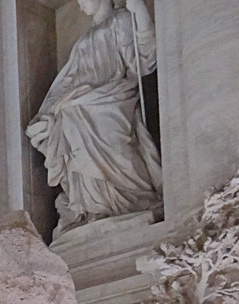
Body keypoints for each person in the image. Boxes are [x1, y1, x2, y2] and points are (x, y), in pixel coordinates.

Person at [26, 0, 160, 236]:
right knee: (69, 120)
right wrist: (50, 111)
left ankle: (134, 200)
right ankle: (93, 208)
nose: (79, 4)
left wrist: (139, 11)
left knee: (117, 145)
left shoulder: (121, 20)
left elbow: (141, 62)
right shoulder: (83, 39)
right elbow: (70, 80)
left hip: (111, 98)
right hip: (79, 104)